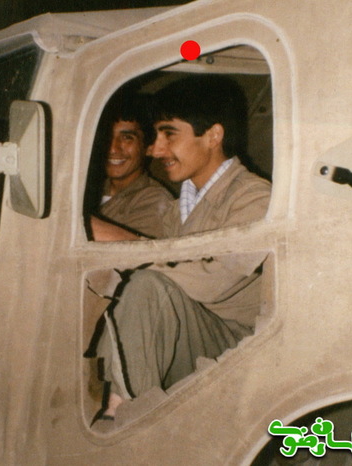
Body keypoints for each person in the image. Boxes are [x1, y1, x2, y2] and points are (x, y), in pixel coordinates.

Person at [88, 76, 272, 421]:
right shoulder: (181, 206)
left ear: (213, 136)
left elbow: (212, 281)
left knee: (145, 287)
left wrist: (132, 247)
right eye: (156, 136)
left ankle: (124, 415)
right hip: (187, 329)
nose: (157, 150)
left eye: (169, 134)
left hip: (234, 342)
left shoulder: (254, 198)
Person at [93, 92, 174, 239]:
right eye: (107, 136)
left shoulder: (154, 199)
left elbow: (136, 250)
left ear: (149, 147)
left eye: (127, 138)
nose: (113, 148)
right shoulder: (90, 189)